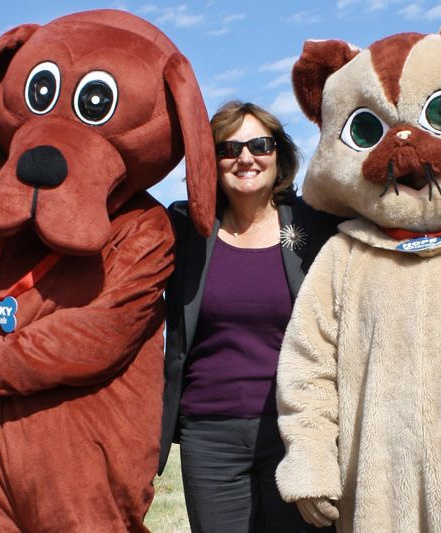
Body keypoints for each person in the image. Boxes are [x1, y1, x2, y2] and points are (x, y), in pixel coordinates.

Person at [159, 101, 342, 532]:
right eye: (228, 148)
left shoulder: (314, 225)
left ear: (279, 154)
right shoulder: (185, 229)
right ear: (211, 160)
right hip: (209, 434)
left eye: (260, 144)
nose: (245, 158)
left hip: (294, 431)